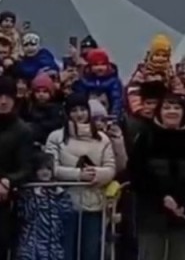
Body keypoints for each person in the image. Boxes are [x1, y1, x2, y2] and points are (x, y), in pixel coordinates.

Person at [129, 94, 185, 260]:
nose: (171, 112)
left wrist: (182, 202)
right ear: (159, 112)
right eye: (167, 108)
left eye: (176, 108)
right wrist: (162, 197)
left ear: (184, 112)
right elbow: (137, 173)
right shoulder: (145, 138)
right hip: (151, 214)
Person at [44, 94, 117, 260]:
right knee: (65, 252)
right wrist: (78, 175)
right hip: (64, 205)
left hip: (94, 205)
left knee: (90, 252)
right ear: (67, 113)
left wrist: (97, 175)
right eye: (74, 110)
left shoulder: (103, 139)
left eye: (82, 109)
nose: (79, 114)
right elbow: (51, 168)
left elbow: (110, 167)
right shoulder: (56, 137)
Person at [0, 77, 35, 259]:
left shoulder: (23, 130)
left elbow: (27, 167)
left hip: (6, 202)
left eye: (8, 97)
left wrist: (6, 181)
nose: (4, 101)